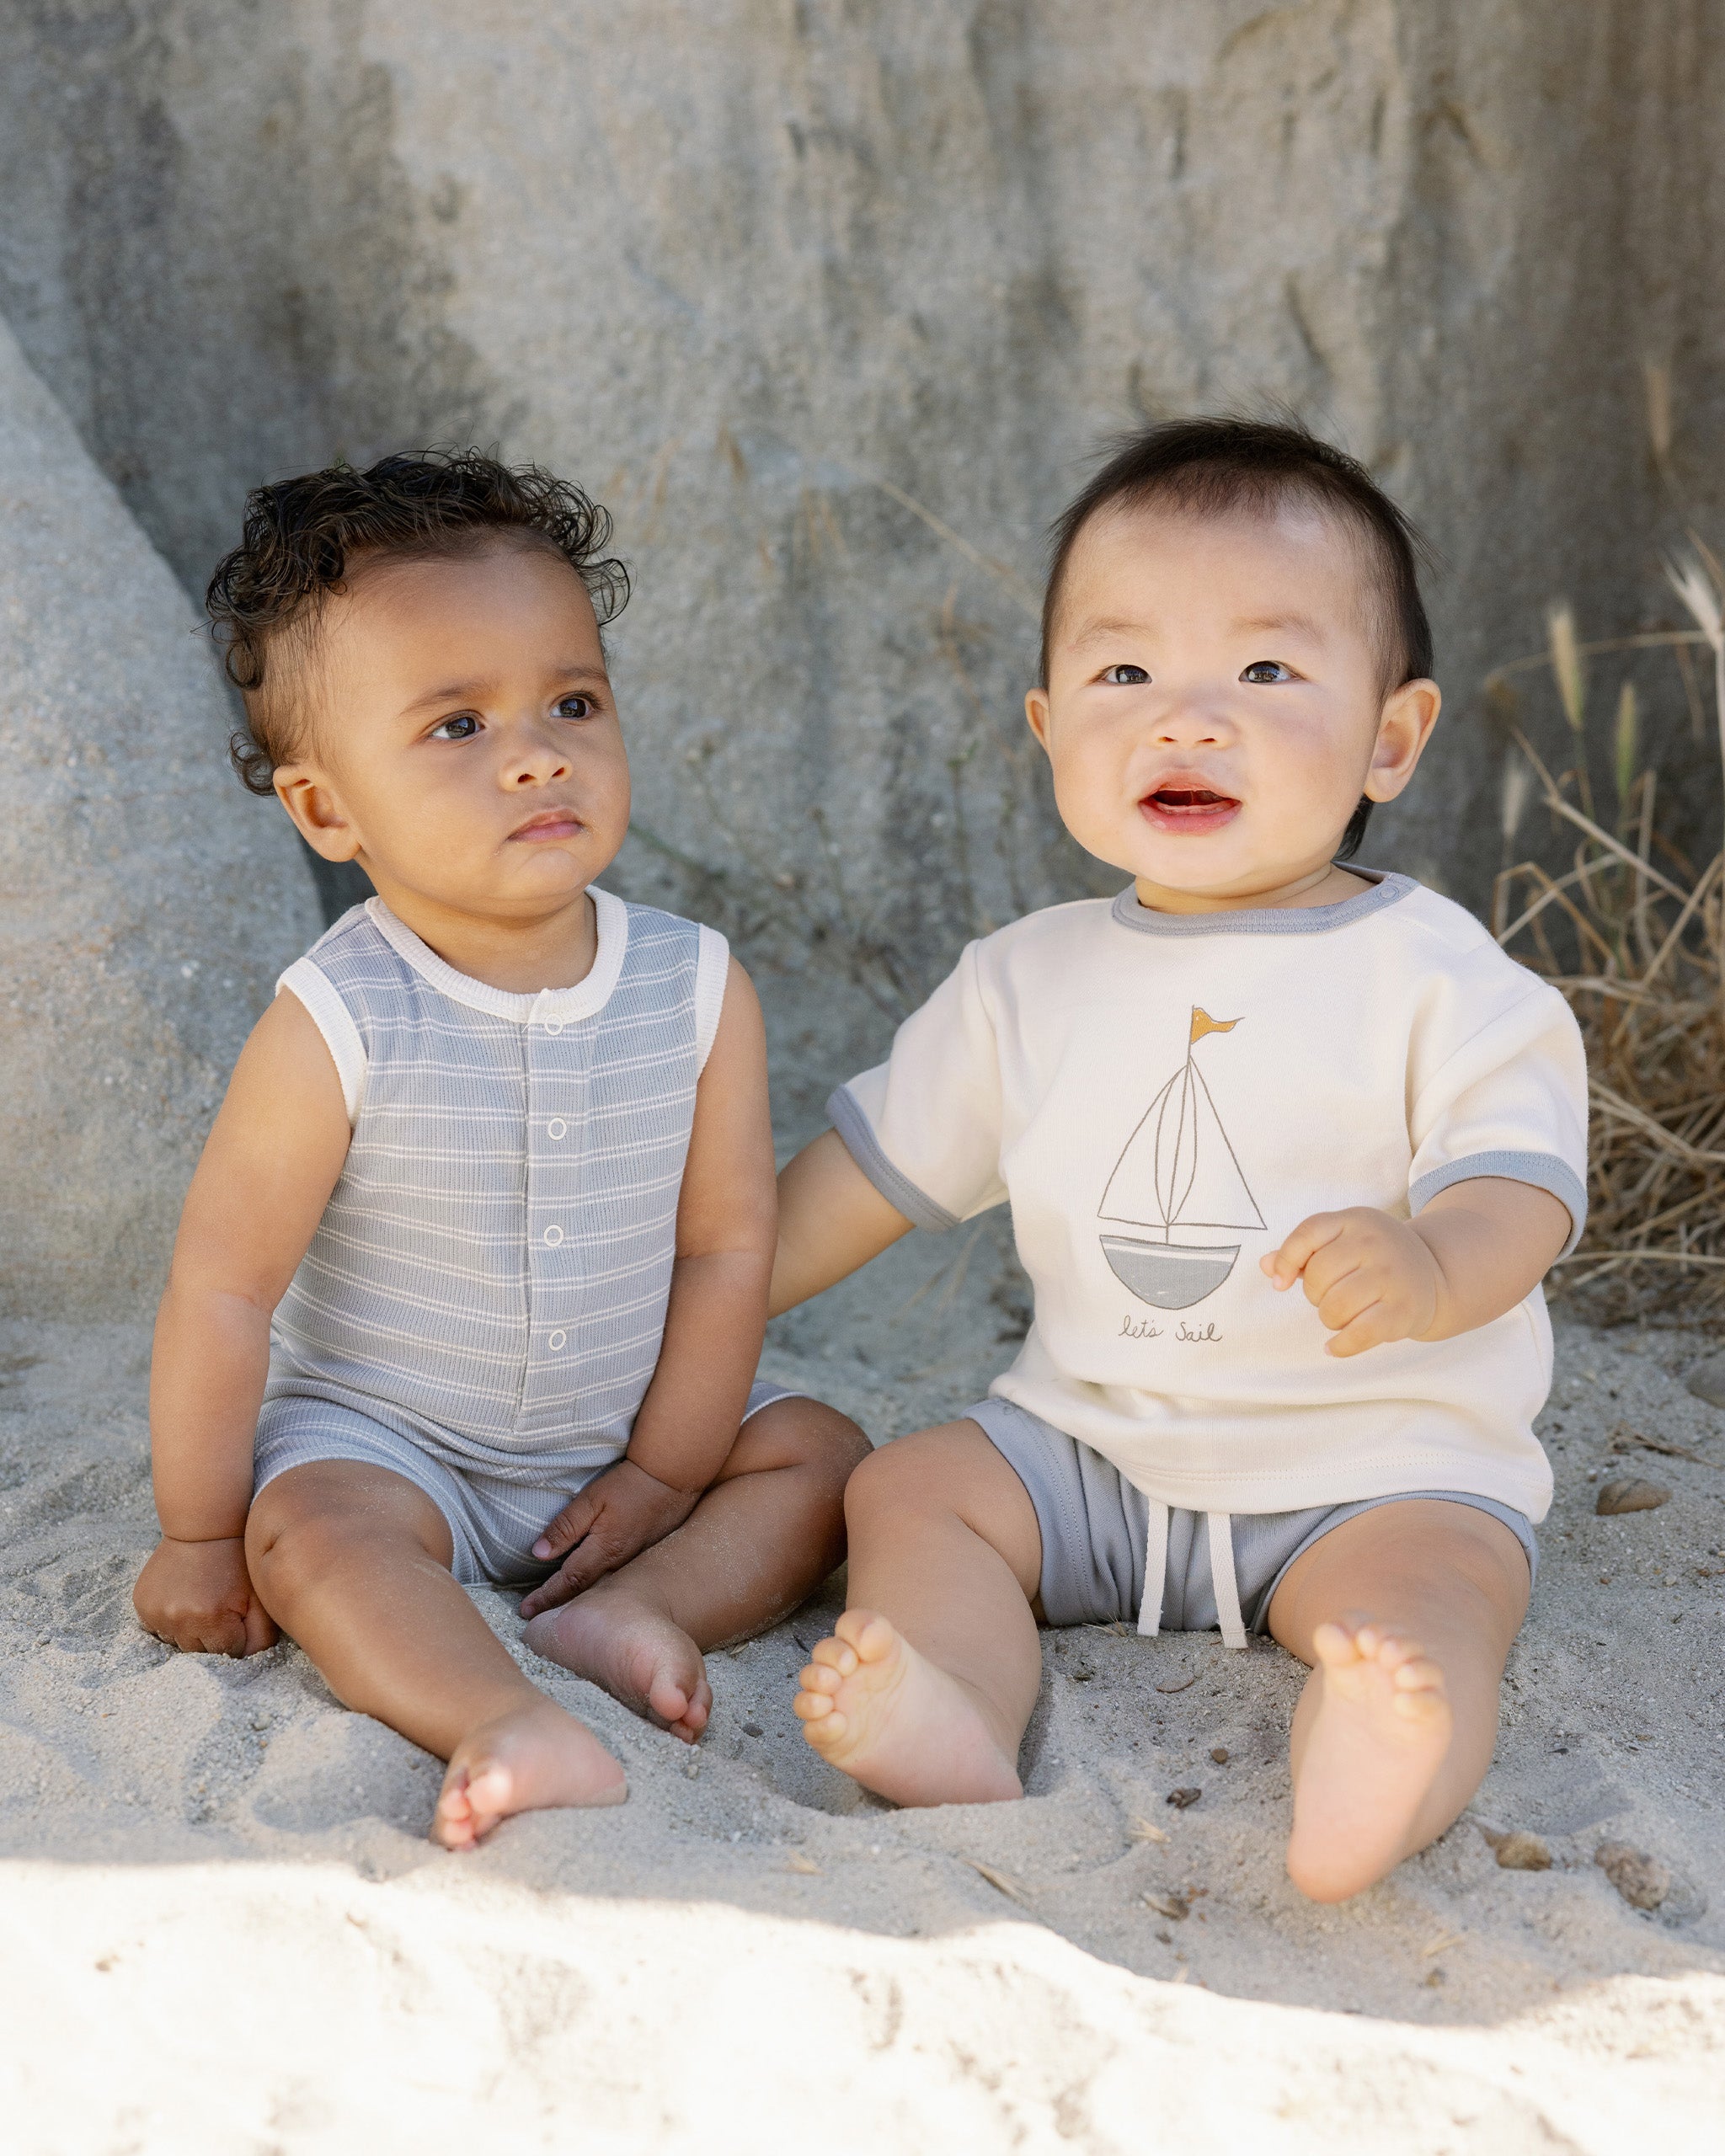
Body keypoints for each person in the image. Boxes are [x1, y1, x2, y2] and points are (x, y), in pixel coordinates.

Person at [772, 417, 1586, 1903]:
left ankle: (1377, 1763)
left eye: (1266, 673)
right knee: (913, 1493)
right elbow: (860, 1181)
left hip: (1379, 1469)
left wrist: (1426, 1261)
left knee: (1429, 1608)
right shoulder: (1027, 980)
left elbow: (1518, 1190)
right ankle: (951, 1704)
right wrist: (706, 1288)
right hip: (1088, 1454)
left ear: (1390, 740)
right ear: (1045, 729)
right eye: (1125, 672)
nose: (1186, 719)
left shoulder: (1438, 977)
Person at [133, 451, 867, 1849]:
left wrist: (662, 1474)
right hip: (393, 1441)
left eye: (572, 703)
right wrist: (197, 1533)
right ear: (327, 811)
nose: (537, 753)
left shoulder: (695, 986)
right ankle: (497, 1716)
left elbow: (725, 1249)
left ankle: (629, 1609)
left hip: (623, 1433)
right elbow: (221, 1290)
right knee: (314, 1541)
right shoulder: (337, 1018)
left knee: (825, 1458)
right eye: (456, 725)